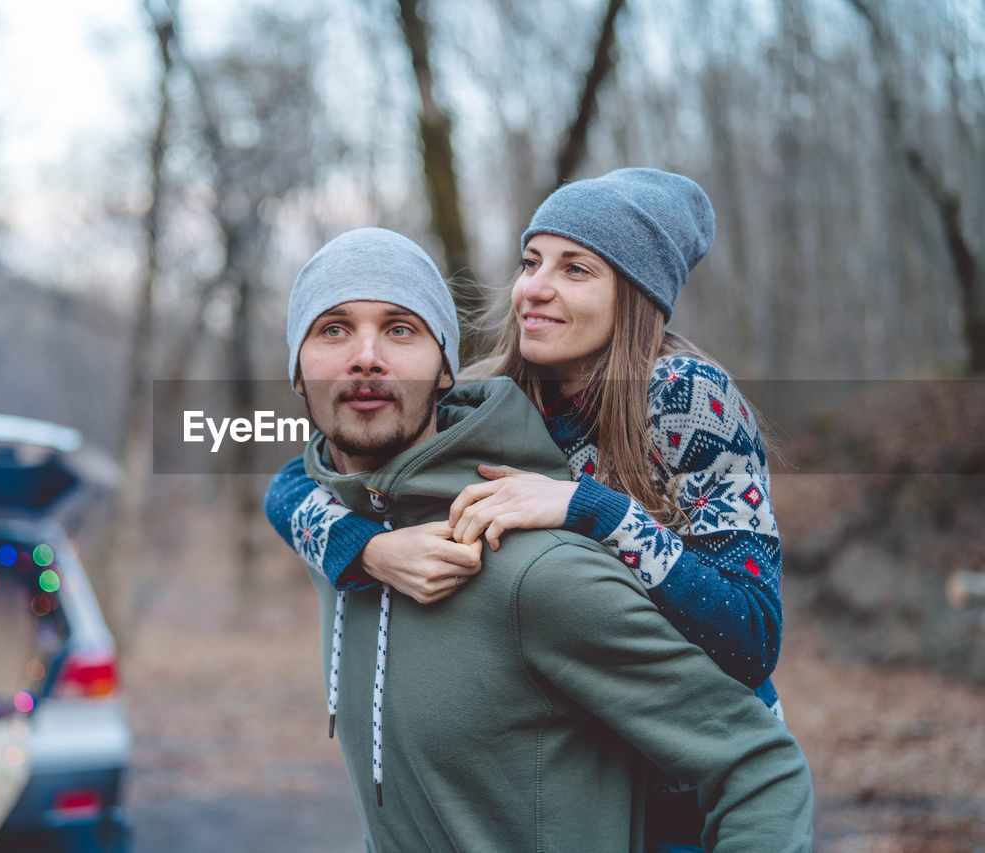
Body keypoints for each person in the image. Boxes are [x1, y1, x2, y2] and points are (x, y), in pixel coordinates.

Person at [266, 169, 782, 849]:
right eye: (531, 261)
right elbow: (293, 482)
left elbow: (751, 636)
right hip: (585, 763)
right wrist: (366, 548)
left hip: (694, 786)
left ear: (634, 295)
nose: (534, 287)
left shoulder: (688, 400)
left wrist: (592, 508)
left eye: (576, 269)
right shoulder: (500, 393)